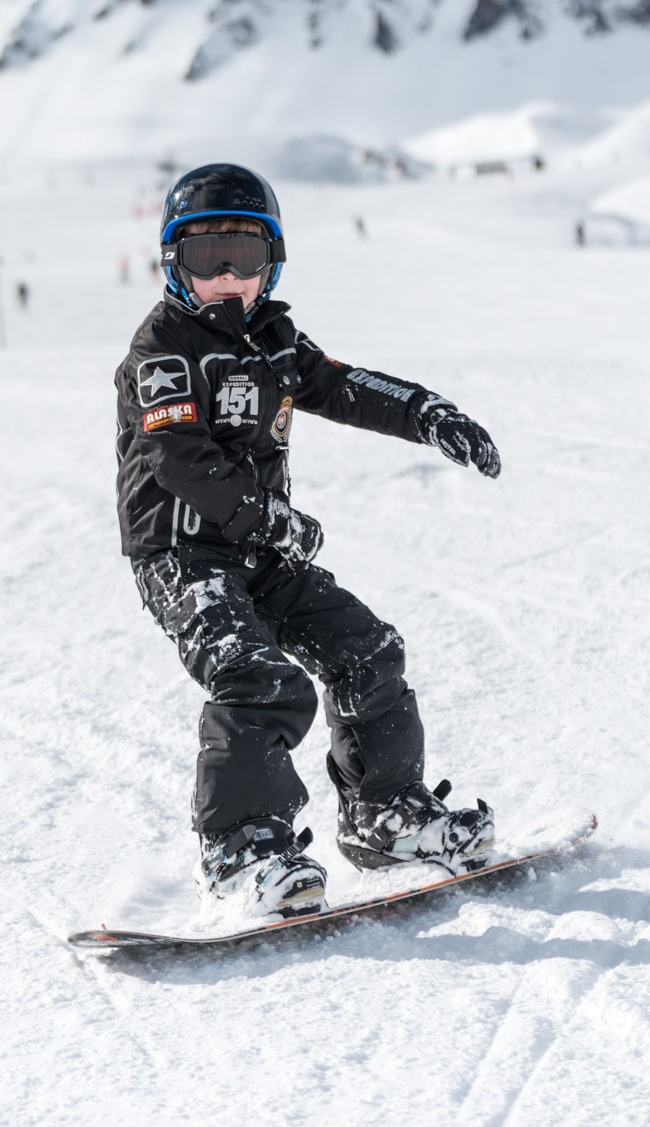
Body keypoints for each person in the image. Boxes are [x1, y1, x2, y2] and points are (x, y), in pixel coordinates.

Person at [114, 164, 501, 920]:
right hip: (182, 555)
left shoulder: (274, 341)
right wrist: (270, 521)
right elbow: (179, 458)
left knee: (367, 650)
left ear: (273, 262)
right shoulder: (160, 351)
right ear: (173, 263)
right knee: (256, 676)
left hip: (259, 551)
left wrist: (428, 412)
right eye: (205, 257)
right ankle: (240, 850)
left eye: (245, 256)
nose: (227, 275)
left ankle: (384, 815)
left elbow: (345, 385)